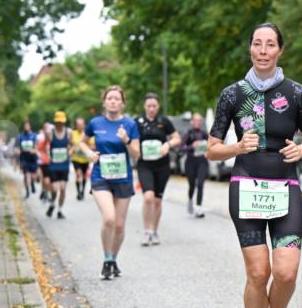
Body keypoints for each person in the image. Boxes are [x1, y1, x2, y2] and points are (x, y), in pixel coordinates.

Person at [207, 23, 302, 308]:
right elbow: (211, 150)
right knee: (258, 273)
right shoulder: (232, 94)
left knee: (285, 272)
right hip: (247, 185)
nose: (264, 50)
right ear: (250, 49)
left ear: (280, 50)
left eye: (271, 44)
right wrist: (236, 147)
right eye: (257, 44)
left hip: (286, 187)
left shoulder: (297, 92)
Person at [81, 86, 141, 280]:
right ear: (104, 102)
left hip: (123, 178)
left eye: (117, 99)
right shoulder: (95, 123)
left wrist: (126, 140)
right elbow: (82, 142)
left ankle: (113, 259)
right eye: (110, 98)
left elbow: (136, 154)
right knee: (109, 218)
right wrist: (89, 153)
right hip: (101, 176)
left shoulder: (129, 124)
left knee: (120, 226)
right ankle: (107, 259)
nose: (113, 101)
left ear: (122, 103)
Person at [135, 94, 181, 246]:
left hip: (162, 166)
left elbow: (177, 138)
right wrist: (135, 150)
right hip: (144, 165)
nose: (151, 109)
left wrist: (167, 144)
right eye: (149, 106)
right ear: (144, 106)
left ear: (158, 106)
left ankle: (154, 231)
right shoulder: (138, 122)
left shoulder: (164, 121)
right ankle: (146, 231)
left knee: (157, 201)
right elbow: (132, 141)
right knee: (148, 197)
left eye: (154, 106)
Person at [181, 112, 209, 218]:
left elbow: (212, 145)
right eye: (195, 120)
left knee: (200, 184)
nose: (197, 122)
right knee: (192, 185)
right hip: (191, 162)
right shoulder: (188, 133)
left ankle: (199, 208)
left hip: (202, 161)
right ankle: (190, 200)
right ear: (192, 122)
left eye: (199, 120)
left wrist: (208, 151)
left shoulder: (204, 133)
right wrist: (191, 146)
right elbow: (181, 148)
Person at [45, 111, 72, 219]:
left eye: (62, 122)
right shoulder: (51, 133)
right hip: (54, 165)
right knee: (55, 189)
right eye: (58, 122)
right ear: (55, 122)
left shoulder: (69, 132)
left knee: (63, 189)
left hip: (64, 165)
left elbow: (72, 145)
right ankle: (52, 203)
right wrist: (48, 154)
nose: (60, 124)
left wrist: (70, 151)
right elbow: (46, 145)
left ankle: (59, 210)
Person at [17, 121, 39, 198]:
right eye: (25, 126)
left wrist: (34, 150)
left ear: (30, 127)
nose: (26, 127)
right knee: (26, 175)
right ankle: (27, 192)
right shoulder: (20, 136)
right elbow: (17, 147)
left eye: (27, 126)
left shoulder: (34, 136)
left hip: (32, 158)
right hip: (24, 158)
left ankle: (32, 183)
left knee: (33, 176)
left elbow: (37, 146)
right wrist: (18, 151)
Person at [71, 117, 90, 201]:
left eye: (81, 124)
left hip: (85, 159)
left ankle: (83, 191)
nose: (79, 126)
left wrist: (85, 147)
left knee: (84, 175)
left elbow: (93, 145)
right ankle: (78, 192)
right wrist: (73, 149)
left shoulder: (87, 134)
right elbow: (70, 144)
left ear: (84, 125)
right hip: (76, 158)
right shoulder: (73, 133)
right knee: (78, 174)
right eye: (78, 124)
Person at [36, 123, 52, 202]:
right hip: (42, 162)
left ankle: (45, 193)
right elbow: (37, 149)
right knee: (43, 179)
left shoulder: (53, 140)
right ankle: (44, 192)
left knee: (47, 180)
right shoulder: (40, 138)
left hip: (50, 162)